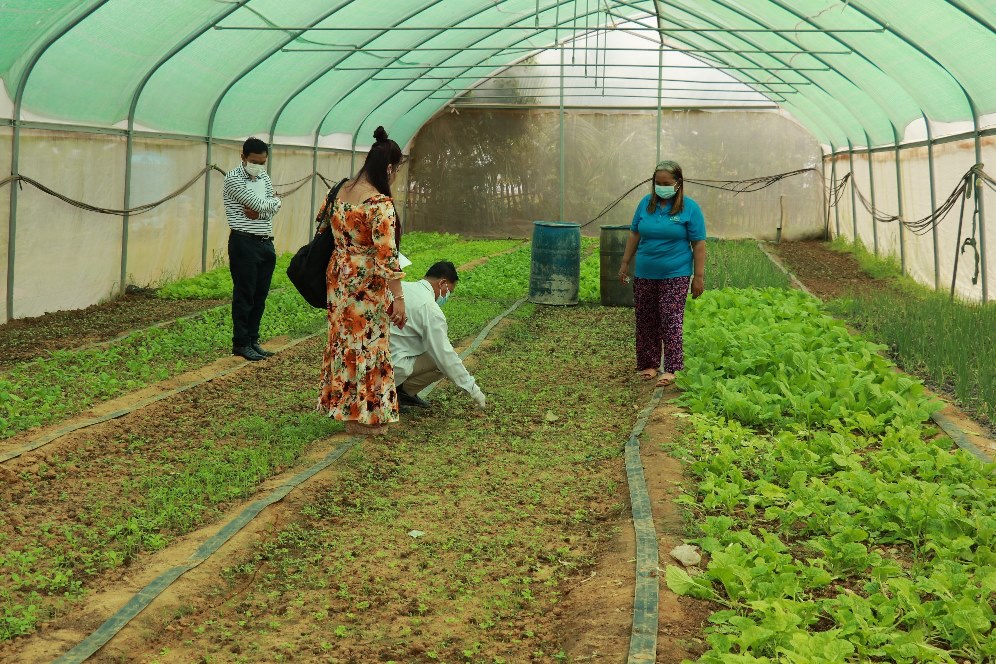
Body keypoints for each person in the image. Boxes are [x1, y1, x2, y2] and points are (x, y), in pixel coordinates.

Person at [317, 126, 407, 435]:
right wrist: (400, 299)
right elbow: (387, 255)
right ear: (389, 168)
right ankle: (367, 418)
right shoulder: (378, 203)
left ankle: (346, 412)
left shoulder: (340, 190)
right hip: (366, 282)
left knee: (343, 342)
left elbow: (323, 226)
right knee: (370, 345)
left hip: (339, 275)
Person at [618, 160, 706, 388]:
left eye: (666, 183)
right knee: (646, 318)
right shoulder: (645, 204)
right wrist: (625, 263)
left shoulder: (690, 208)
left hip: (676, 273)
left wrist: (698, 277)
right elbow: (634, 235)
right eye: (657, 183)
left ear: (678, 184)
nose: (661, 187)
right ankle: (649, 364)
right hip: (646, 271)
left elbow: (698, 244)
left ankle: (673, 367)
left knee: (670, 319)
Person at [388, 261, 487, 413]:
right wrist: (473, 389)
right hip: (394, 367)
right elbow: (445, 355)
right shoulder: (430, 308)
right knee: (441, 361)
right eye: (449, 292)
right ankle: (400, 393)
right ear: (442, 283)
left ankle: (398, 392)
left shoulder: (401, 289)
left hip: (375, 360)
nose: (446, 297)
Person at [223, 136, 282, 361]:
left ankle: (252, 340)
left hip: (265, 242)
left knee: (260, 295)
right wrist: (271, 204)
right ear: (243, 157)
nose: (258, 166)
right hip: (244, 242)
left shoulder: (264, 176)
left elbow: (271, 204)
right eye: (254, 161)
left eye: (262, 162)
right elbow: (262, 203)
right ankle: (240, 342)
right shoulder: (233, 179)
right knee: (244, 294)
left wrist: (268, 208)